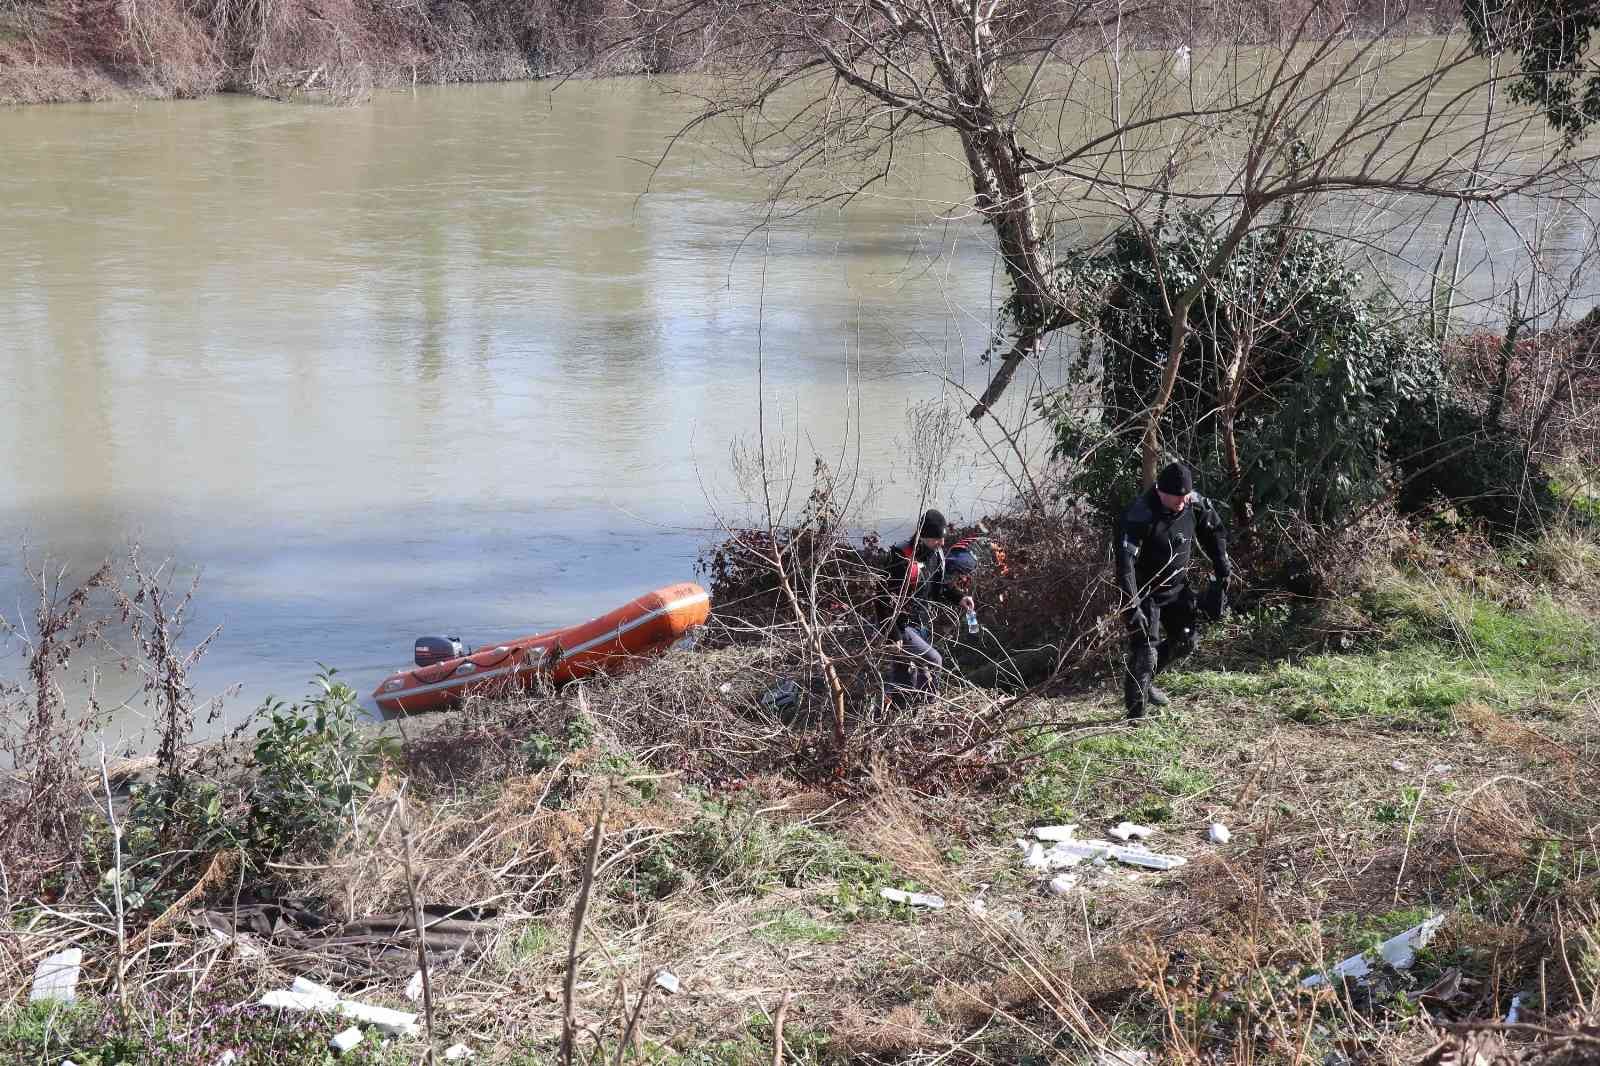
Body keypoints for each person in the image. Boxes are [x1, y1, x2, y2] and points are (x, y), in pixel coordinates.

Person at [1115, 462, 1232, 719]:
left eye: (1185, 497)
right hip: (1145, 592)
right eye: (1177, 498)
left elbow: (1214, 533)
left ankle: (1143, 682)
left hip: (1177, 588)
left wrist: (1222, 571)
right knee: (1146, 654)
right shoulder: (1139, 515)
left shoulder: (1193, 502)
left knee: (1187, 640)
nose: (1182, 502)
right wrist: (1131, 605)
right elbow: (1125, 566)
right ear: (1160, 491)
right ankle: (1136, 718)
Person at [882, 508, 977, 699]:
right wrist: (893, 635)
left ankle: (903, 716)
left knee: (907, 677)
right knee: (933, 661)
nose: (942, 543)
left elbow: (939, 588)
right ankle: (928, 708)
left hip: (921, 625)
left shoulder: (936, 555)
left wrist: (960, 597)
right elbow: (882, 597)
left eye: (942, 538)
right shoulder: (899, 556)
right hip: (901, 626)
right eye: (936, 538)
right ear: (923, 536)